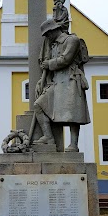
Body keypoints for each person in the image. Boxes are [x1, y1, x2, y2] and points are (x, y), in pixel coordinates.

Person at [33, 18, 90, 151]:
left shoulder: (72, 40)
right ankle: (48, 137)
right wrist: (42, 80)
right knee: (39, 105)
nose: (47, 37)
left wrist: (49, 64)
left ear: (53, 30)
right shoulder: (52, 45)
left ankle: (74, 145)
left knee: (73, 113)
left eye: (47, 34)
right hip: (56, 82)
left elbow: (66, 59)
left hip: (71, 79)